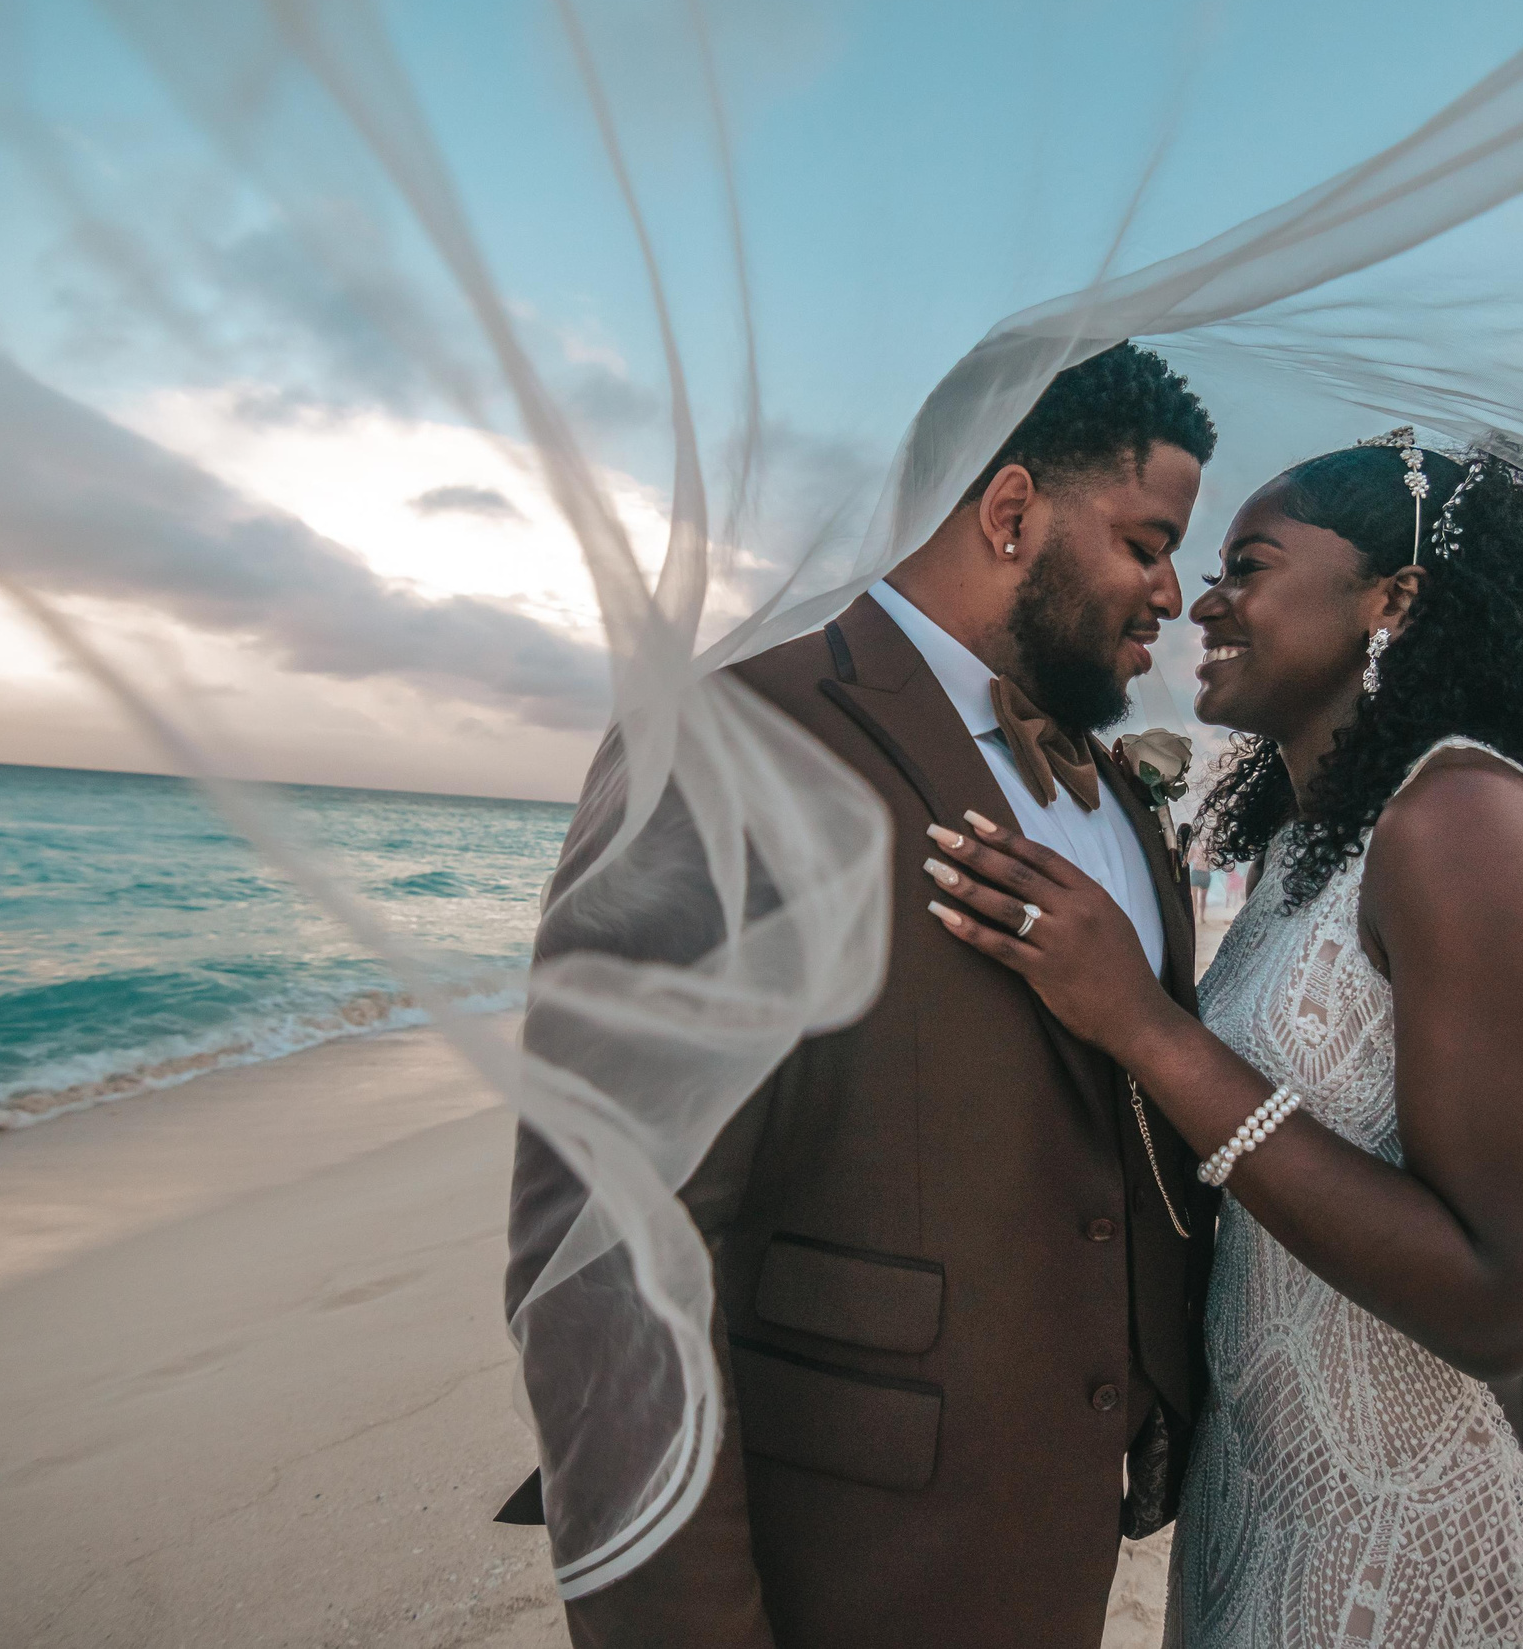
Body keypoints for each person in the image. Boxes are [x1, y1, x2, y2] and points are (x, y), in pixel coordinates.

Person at [927, 431, 1523, 1648]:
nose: (1204, 602)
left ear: (1392, 600)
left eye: (1249, 565)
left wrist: (1139, 1024)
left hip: (1428, 1529)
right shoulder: (1311, 844)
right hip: (1278, 1490)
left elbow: (1505, 1301)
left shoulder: (1465, 826)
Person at [503, 343, 1221, 1648]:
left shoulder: (1121, 795)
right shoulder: (731, 747)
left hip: (1053, 1547)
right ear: (1010, 513)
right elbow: (606, 1265)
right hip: (844, 1562)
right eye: (1146, 540)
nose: (1174, 588)